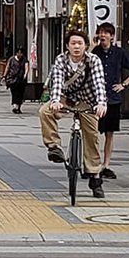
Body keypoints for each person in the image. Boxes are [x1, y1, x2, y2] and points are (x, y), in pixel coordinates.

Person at [39, 30, 107, 199]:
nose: (76, 46)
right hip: (66, 99)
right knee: (45, 111)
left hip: (88, 101)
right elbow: (57, 82)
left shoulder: (93, 60)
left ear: (86, 46)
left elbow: (99, 83)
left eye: (80, 43)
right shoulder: (61, 60)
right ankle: (54, 147)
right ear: (67, 46)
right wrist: (55, 101)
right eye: (73, 43)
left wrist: (101, 103)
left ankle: (95, 176)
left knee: (92, 136)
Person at [92, 22, 129, 180]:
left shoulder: (120, 53)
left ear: (112, 36)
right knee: (92, 132)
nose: (102, 35)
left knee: (109, 133)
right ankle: (92, 164)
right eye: (100, 32)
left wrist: (123, 85)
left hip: (113, 99)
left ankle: (106, 165)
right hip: (95, 99)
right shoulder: (95, 52)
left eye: (106, 33)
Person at [3, 46, 29, 114]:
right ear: (16, 53)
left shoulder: (24, 60)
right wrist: (4, 76)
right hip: (13, 79)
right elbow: (8, 67)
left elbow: (26, 67)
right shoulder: (11, 59)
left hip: (21, 80)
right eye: (18, 53)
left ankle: (18, 107)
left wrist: (25, 74)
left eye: (21, 53)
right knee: (14, 93)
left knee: (20, 93)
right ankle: (15, 106)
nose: (20, 54)